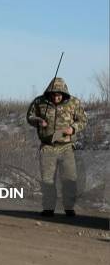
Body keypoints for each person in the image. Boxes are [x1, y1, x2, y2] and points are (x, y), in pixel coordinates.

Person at [26, 77, 87, 217]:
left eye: (59, 94)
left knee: (69, 179)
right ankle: (48, 208)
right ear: (50, 93)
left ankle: (69, 208)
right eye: (54, 94)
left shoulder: (74, 103)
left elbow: (83, 120)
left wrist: (73, 128)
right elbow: (29, 117)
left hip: (67, 146)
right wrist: (38, 120)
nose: (56, 97)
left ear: (64, 93)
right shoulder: (39, 102)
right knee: (47, 180)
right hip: (47, 146)